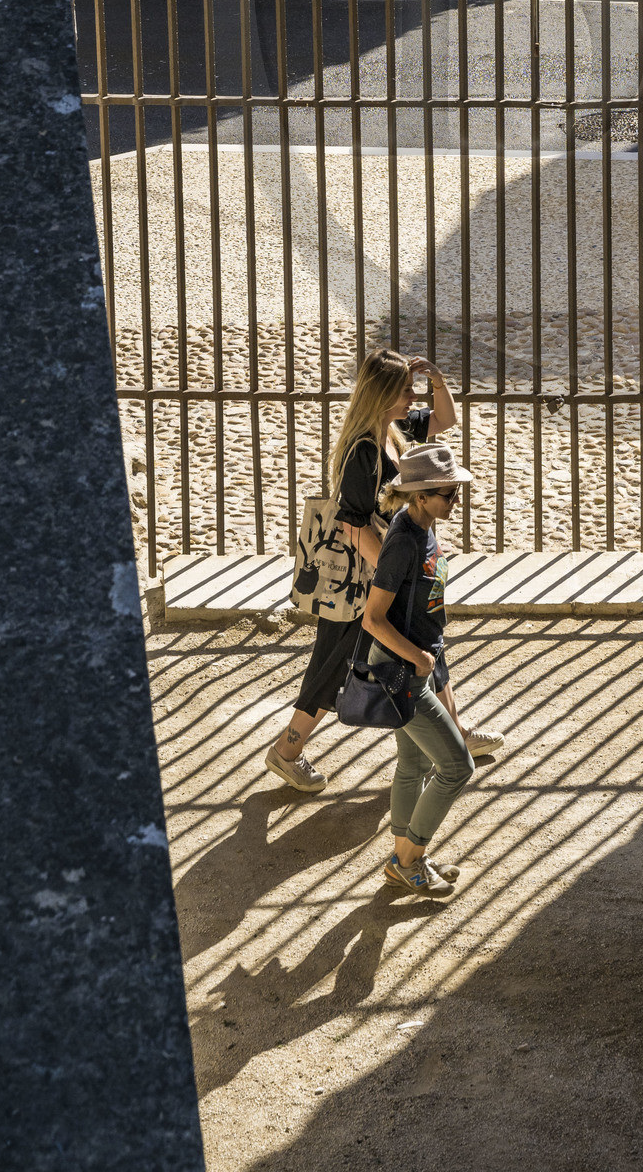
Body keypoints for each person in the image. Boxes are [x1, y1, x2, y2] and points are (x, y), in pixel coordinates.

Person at [264, 347, 456, 795]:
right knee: (333, 665)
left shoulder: (393, 430)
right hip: (360, 579)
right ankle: (286, 751)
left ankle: (456, 734)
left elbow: (445, 420)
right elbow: (352, 527)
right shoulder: (363, 451)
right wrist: (394, 575)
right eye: (405, 390)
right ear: (383, 393)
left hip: (384, 570)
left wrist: (438, 379)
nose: (412, 397)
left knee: (425, 643)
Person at [361, 440, 480, 898]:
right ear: (421, 496)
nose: (456, 500)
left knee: (413, 764)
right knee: (457, 766)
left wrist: (433, 663)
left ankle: (403, 858)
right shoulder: (403, 541)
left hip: (417, 667)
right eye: (449, 494)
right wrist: (418, 658)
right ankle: (409, 860)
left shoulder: (423, 528)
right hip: (401, 673)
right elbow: (372, 619)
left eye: (457, 492)